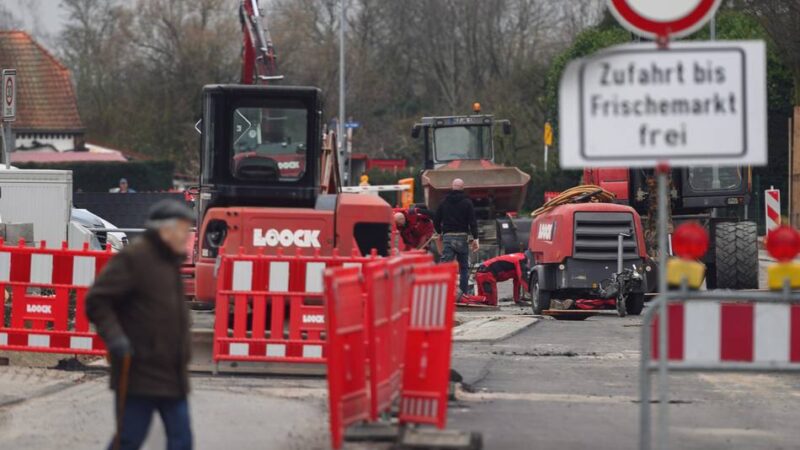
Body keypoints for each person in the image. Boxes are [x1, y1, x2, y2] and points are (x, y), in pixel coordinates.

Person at [86, 200, 195, 450]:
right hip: (138, 372)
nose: (186, 235)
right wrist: (115, 338)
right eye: (182, 228)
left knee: (182, 441)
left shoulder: (170, 261)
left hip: (172, 374)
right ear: (164, 230)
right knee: (129, 440)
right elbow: (97, 300)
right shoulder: (134, 258)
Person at [434, 178, 478, 294]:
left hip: (448, 237)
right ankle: (463, 294)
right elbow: (472, 222)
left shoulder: (444, 202)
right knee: (463, 268)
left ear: (452, 187)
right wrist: (476, 238)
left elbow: (436, 220)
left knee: (445, 266)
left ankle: (441, 292)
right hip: (462, 238)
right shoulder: (467, 202)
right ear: (463, 188)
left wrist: (439, 233)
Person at [464, 253, 529, 306]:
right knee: (490, 301)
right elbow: (522, 277)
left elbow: (517, 282)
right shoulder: (521, 259)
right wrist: (533, 292)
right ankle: (461, 298)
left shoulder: (518, 258)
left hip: (483, 272)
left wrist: (517, 300)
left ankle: (464, 298)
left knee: (483, 300)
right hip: (486, 273)